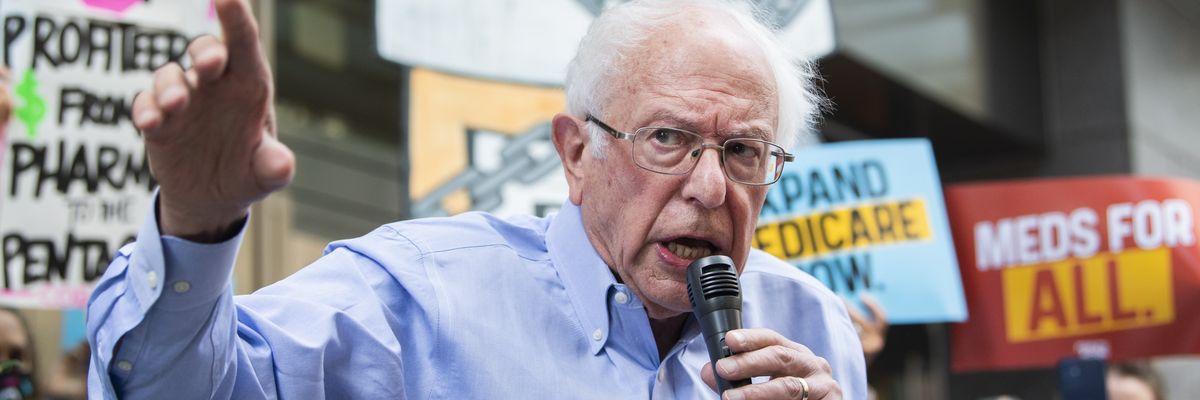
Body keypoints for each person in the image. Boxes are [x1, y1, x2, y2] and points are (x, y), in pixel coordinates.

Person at [85, 0, 867, 398]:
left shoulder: (811, 324)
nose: (708, 187)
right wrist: (195, 223)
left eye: (742, 152)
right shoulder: (416, 296)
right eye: (666, 138)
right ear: (575, 153)